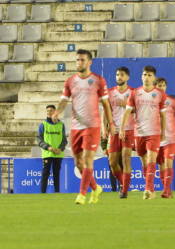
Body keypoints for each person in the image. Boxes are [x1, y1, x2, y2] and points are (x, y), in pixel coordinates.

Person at [52, 49, 115, 204]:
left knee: (87, 161)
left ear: (89, 62)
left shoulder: (99, 80)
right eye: (77, 60)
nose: (79, 63)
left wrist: (111, 123)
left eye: (82, 60)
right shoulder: (70, 81)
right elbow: (63, 100)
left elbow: (106, 105)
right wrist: (58, 111)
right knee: (78, 163)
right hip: (75, 126)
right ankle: (96, 188)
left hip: (92, 125)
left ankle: (81, 194)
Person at [120, 65, 166, 200]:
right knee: (144, 161)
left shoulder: (159, 94)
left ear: (154, 78)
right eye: (145, 75)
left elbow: (163, 115)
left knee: (151, 160)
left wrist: (163, 131)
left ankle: (147, 189)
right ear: (141, 76)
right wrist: (122, 128)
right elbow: (127, 111)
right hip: (139, 132)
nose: (147, 78)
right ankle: (151, 188)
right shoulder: (135, 93)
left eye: (149, 75)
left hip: (154, 132)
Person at [102, 66, 135, 199]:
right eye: (117, 75)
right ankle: (123, 183)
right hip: (114, 132)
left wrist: (126, 105)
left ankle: (124, 191)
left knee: (126, 158)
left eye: (122, 75)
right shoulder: (109, 93)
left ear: (127, 77)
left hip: (129, 130)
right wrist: (103, 129)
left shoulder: (133, 92)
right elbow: (105, 113)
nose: (119, 77)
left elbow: (139, 110)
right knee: (112, 162)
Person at [154, 77, 175, 199]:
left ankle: (166, 190)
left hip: (170, 138)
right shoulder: (151, 102)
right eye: (159, 85)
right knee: (161, 165)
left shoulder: (172, 101)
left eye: (163, 85)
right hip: (156, 139)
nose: (161, 88)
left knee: (168, 163)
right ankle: (167, 190)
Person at [36, 105, 68, 193]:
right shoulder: (43, 125)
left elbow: (64, 140)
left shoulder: (61, 125)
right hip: (47, 153)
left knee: (56, 174)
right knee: (45, 174)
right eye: (47, 111)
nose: (49, 112)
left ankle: (57, 192)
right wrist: (47, 147)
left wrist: (60, 149)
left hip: (58, 154)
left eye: (51, 111)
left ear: (55, 112)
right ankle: (43, 193)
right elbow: (39, 139)